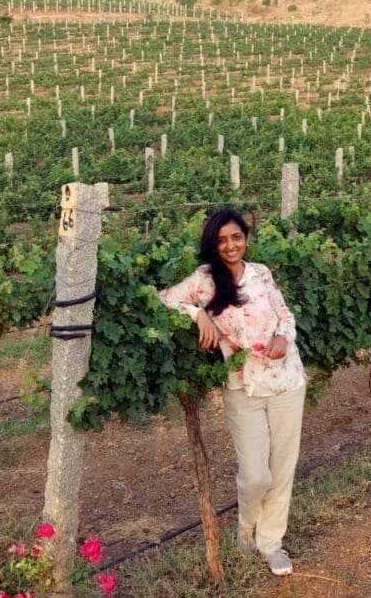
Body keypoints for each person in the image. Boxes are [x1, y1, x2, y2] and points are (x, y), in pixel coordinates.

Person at [158, 209, 307, 577]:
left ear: (246, 239)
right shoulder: (204, 280)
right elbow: (162, 298)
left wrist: (284, 338)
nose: (230, 246)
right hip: (242, 385)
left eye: (236, 237)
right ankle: (246, 530)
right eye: (222, 240)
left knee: (282, 467)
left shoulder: (261, 274)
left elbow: (286, 316)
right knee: (256, 474)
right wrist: (197, 314)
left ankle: (272, 542)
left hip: (287, 378)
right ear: (213, 244)